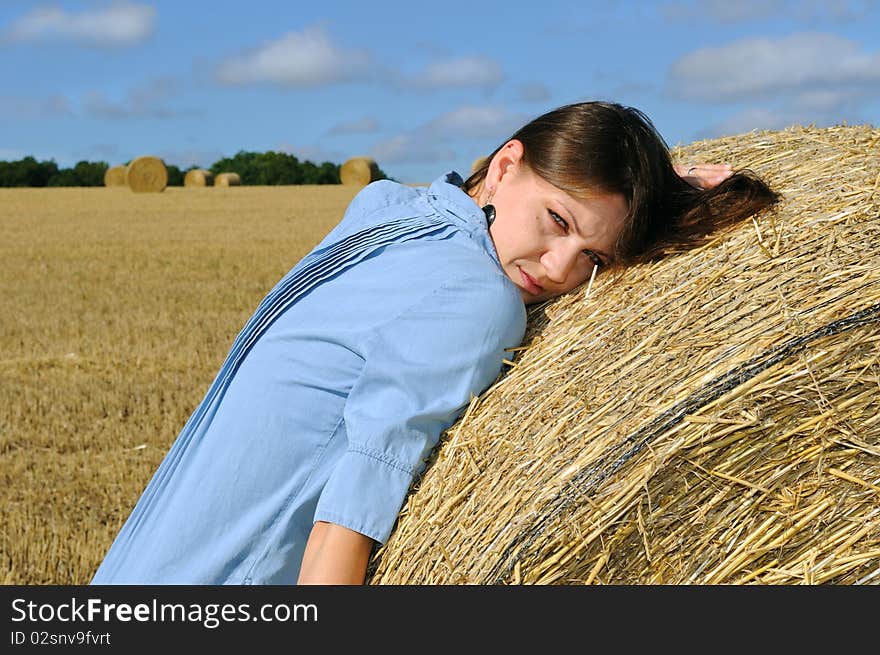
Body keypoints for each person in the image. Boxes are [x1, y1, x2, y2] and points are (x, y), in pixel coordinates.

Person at [90, 101, 778, 585]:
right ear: (505, 166)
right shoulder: (478, 299)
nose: (562, 266)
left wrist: (661, 191)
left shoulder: (389, 211)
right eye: (556, 219)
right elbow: (344, 521)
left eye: (594, 258)